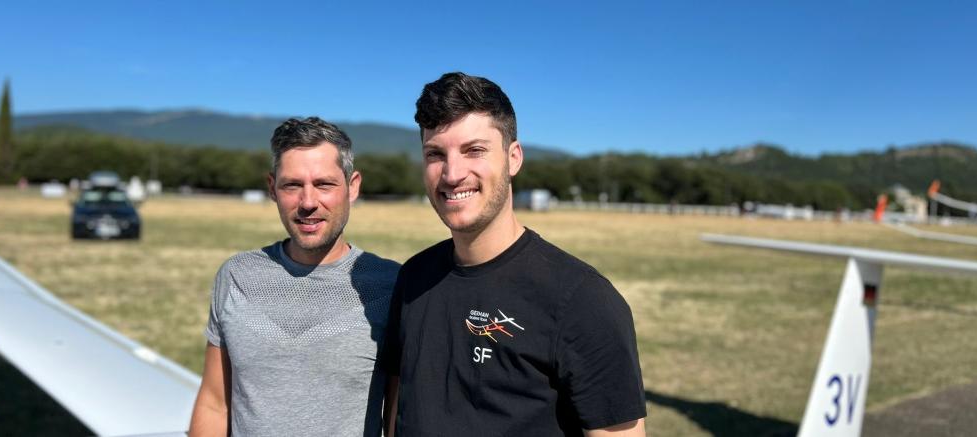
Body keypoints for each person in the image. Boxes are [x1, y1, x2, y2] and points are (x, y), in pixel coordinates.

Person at [383, 73, 647, 436]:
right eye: (435, 154)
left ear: (513, 158)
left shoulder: (582, 299)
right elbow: (399, 408)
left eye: (474, 150)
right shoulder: (414, 277)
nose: (453, 173)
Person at [189, 117, 399, 437]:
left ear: (352, 186)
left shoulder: (392, 284)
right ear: (272, 188)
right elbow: (215, 403)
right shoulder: (236, 277)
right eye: (292, 185)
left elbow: (399, 416)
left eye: (324, 184)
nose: (308, 203)